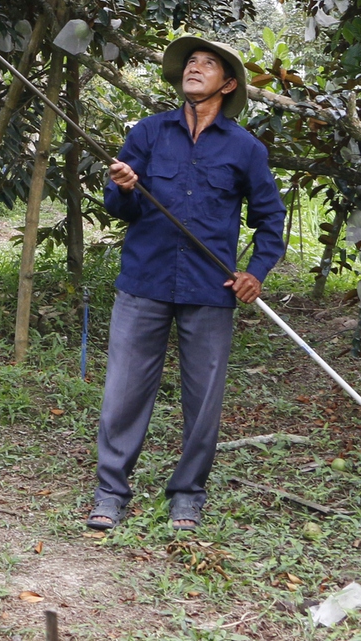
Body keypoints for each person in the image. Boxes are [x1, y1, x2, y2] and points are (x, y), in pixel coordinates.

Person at [88, 36, 284, 534]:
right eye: (190, 62)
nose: (194, 68)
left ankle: (187, 497)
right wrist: (124, 188)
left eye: (208, 64)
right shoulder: (149, 133)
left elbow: (270, 222)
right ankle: (110, 493)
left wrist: (255, 273)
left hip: (209, 289)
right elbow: (121, 209)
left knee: (203, 400)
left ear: (229, 83)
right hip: (144, 282)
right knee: (124, 393)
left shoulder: (246, 149)